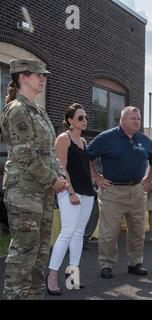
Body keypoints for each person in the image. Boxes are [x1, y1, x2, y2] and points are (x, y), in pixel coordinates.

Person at [0, 59, 67, 300]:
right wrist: (53, 179)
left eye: (44, 74)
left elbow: (48, 151)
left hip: (43, 191)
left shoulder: (38, 110)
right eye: (38, 75)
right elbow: (24, 153)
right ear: (22, 77)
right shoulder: (17, 109)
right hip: (24, 193)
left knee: (39, 253)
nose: (43, 78)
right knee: (24, 253)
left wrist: (60, 175)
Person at [87, 106, 152, 279]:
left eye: (139, 119)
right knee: (109, 232)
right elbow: (87, 156)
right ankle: (107, 264)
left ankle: (135, 263)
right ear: (122, 120)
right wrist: (96, 177)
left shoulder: (143, 140)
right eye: (133, 118)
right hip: (112, 192)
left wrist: (148, 180)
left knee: (137, 231)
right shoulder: (107, 138)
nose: (137, 122)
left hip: (137, 191)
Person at [46, 104, 95, 295]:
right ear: (70, 120)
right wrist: (71, 192)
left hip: (87, 192)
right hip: (70, 192)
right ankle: (51, 276)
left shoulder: (83, 140)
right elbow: (61, 168)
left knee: (78, 233)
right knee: (67, 232)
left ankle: (72, 277)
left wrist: (96, 181)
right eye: (81, 118)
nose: (85, 120)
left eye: (85, 118)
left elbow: (86, 168)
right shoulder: (63, 139)